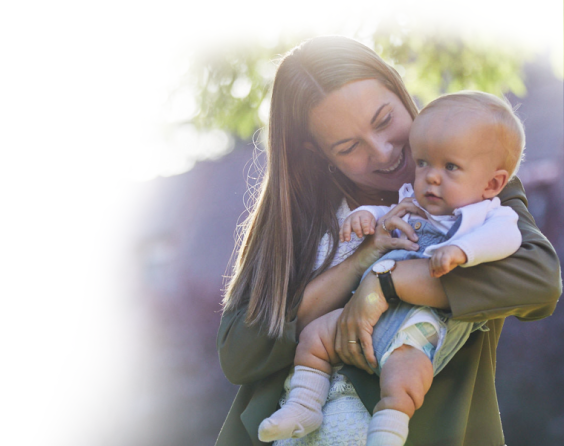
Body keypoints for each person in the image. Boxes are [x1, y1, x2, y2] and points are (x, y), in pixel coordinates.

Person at [215, 36, 561, 446]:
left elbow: (538, 281)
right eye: (348, 147)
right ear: (317, 153)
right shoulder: (304, 220)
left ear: (400, 90)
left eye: (384, 120)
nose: (383, 153)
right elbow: (240, 354)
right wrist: (362, 261)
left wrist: (385, 283)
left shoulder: (475, 180)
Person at [258, 91, 525, 446]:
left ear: (491, 183)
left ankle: (387, 431)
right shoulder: (412, 201)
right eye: (424, 163)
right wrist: (365, 216)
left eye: (450, 167)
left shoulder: (488, 214)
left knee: (406, 373)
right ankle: (303, 404)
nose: (430, 177)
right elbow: (386, 217)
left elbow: (506, 238)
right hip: (364, 318)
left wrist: (463, 250)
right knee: (316, 337)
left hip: (420, 322)